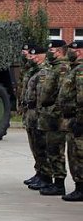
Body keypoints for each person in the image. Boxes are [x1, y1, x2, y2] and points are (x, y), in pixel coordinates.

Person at [36, 39, 71, 196]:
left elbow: (62, 94)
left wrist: (55, 112)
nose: (49, 53)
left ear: (59, 51)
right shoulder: (53, 68)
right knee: (50, 150)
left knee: (56, 151)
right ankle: (51, 181)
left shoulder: (62, 68)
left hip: (55, 118)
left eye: (52, 50)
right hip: (48, 116)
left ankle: (59, 184)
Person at [58, 41, 82, 201]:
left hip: (78, 119)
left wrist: (80, 121)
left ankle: (81, 188)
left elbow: (81, 97)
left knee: (78, 155)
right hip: (71, 118)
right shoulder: (74, 69)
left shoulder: (80, 71)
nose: (71, 52)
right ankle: (78, 187)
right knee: (73, 154)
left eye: (74, 49)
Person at [24, 46, 51, 190]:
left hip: (39, 113)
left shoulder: (45, 71)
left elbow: (43, 95)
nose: (33, 57)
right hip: (31, 112)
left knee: (41, 146)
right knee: (35, 145)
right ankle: (39, 173)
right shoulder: (34, 70)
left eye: (36, 55)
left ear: (43, 56)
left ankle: (45, 176)